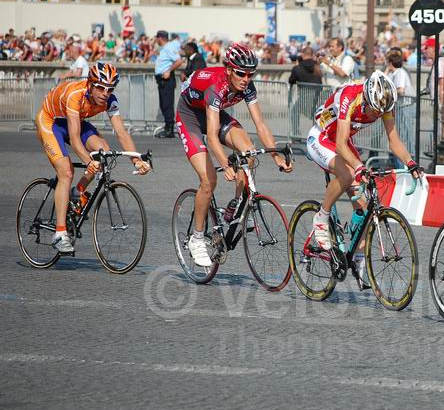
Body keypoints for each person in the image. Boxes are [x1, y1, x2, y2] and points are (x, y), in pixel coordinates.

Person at [176, 43, 292, 267]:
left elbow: (261, 125)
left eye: (250, 74)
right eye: (241, 73)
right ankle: (197, 238)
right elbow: (212, 137)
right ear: (229, 70)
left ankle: (235, 204)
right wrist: (225, 164)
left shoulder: (247, 86)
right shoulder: (216, 86)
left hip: (214, 113)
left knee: (249, 152)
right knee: (209, 180)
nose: (246, 79)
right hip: (189, 116)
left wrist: (276, 157)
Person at [306, 71, 422, 289]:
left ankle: (358, 261)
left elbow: (393, 140)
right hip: (321, 138)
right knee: (348, 174)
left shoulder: (384, 105)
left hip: (341, 142)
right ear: (367, 99)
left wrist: (411, 163)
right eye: (375, 111)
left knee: (365, 207)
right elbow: (340, 144)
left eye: (381, 112)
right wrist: (359, 167)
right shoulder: (349, 97)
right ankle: (321, 218)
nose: (377, 115)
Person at [35, 63, 151, 253]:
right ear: (90, 84)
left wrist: (136, 160)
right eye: (101, 87)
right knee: (66, 172)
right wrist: (88, 162)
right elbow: (74, 138)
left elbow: (121, 133)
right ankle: (60, 233)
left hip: (75, 121)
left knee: (103, 152)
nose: (105, 93)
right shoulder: (75, 94)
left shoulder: (110, 101)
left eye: (110, 89)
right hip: (51, 121)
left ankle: (77, 192)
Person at [154, 30, 184, 138]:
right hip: (162, 80)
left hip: (167, 80)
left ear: (160, 38)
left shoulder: (168, 48)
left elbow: (179, 61)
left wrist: (169, 71)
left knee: (167, 104)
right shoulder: (164, 49)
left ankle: (170, 129)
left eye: (157, 38)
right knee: (163, 104)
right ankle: (167, 127)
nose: (156, 40)